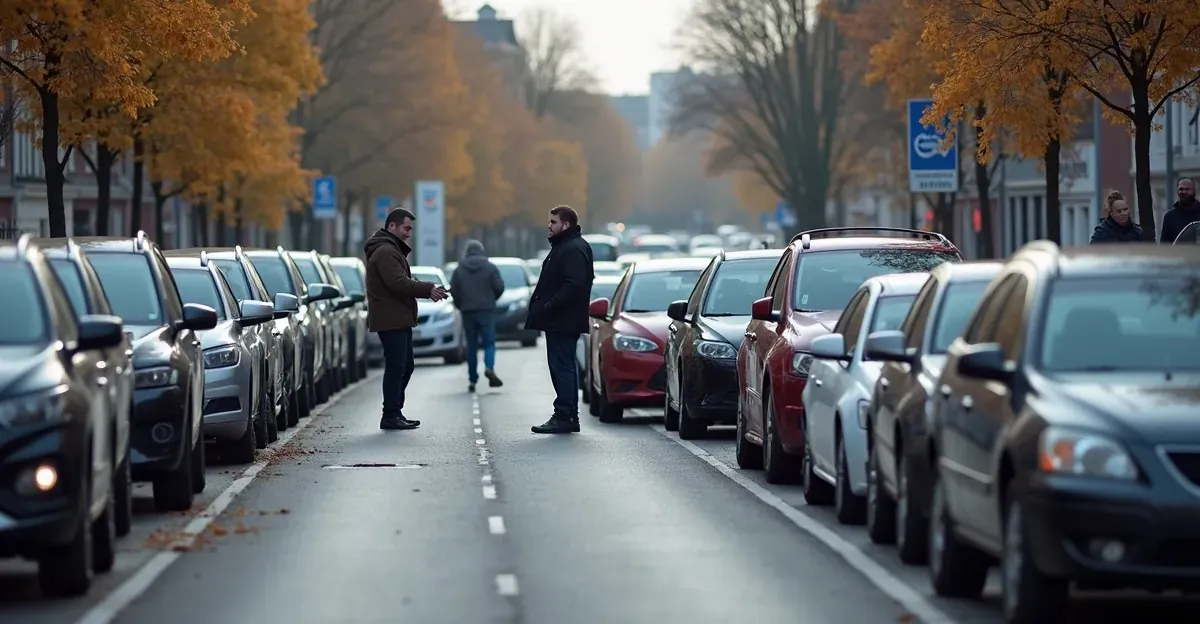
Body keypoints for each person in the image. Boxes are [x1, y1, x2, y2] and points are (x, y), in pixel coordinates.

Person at [364, 208, 448, 430]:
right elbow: (397, 282)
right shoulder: (385, 252)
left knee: (404, 366)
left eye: (410, 228)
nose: (409, 233)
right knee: (396, 366)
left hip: (397, 317)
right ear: (392, 226)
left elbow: (399, 280)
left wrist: (425, 287)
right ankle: (390, 414)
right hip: (391, 317)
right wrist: (427, 289)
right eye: (406, 228)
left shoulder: (390, 250)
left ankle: (395, 411)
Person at [525, 205, 594, 434]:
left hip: (563, 319)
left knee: (562, 366)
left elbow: (574, 284)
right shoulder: (567, 246)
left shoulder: (572, 248)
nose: (549, 225)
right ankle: (567, 414)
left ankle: (565, 415)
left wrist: (549, 304)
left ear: (565, 225)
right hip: (561, 319)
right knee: (563, 366)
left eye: (553, 222)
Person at [450, 240, 505, 392]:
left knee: (471, 346)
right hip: (486, 310)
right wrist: (491, 299)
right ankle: (489, 366)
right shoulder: (490, 267)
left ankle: (472, 379)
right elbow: (499, 286)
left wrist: (461, 305)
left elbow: (453, 290)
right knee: (489, 342)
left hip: (468, 311)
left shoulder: (460, 269)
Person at [1161, 178, 1200, 243]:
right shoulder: (1170, 217)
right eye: (1181, 189)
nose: (1183, 192)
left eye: (1187, 189)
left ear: (1194, 191)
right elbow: (1164, 244)